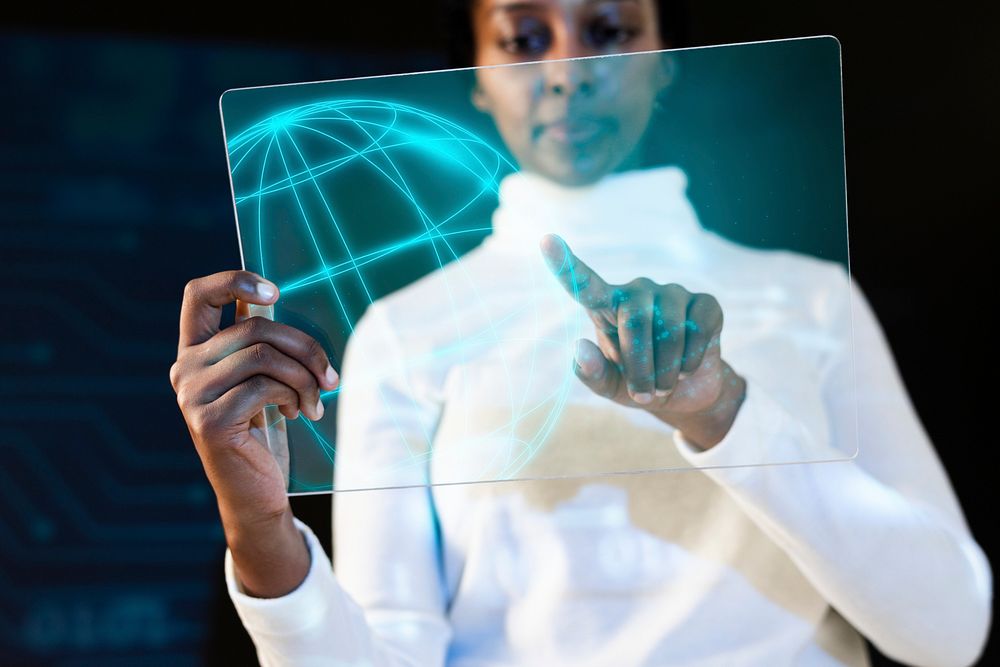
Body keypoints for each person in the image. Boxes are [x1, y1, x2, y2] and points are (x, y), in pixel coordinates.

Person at [169, 1, 992, 665]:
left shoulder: (810, 298)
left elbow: (949, 631)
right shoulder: (407, 330)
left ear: (667, 57)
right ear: (478, 78)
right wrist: (262, 532)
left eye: (609, 30)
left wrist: (724, 413)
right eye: (525, 37)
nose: (567, 71)